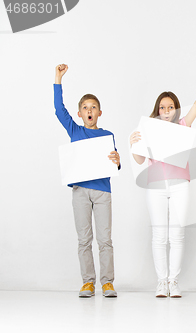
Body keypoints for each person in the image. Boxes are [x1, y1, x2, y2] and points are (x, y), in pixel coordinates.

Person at [130, 59, 196, 298]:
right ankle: (161, 282)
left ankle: (173, 281)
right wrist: (134, 145)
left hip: (180, 184)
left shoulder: (182, 125)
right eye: (162, 107)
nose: (166, 110)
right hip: (156, 186)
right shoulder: (148, 128)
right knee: (159, 235)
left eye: (170, 107)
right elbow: (140, 161)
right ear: (157, 110)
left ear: (176, 110)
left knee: (177, 234)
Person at [54, 64, 121, 298]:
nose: (89, 110)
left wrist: (118, 160)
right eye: (85, 107)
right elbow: (58, 109)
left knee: (105, 239)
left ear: (99, 113)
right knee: (84, 239)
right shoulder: (75, 131)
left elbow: (115, 162)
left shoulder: (107, 135)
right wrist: (58, 79)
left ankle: (107, 283)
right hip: (80, 191)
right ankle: (88, 282)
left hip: (103, 191)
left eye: (93, 107)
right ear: (80, 113)